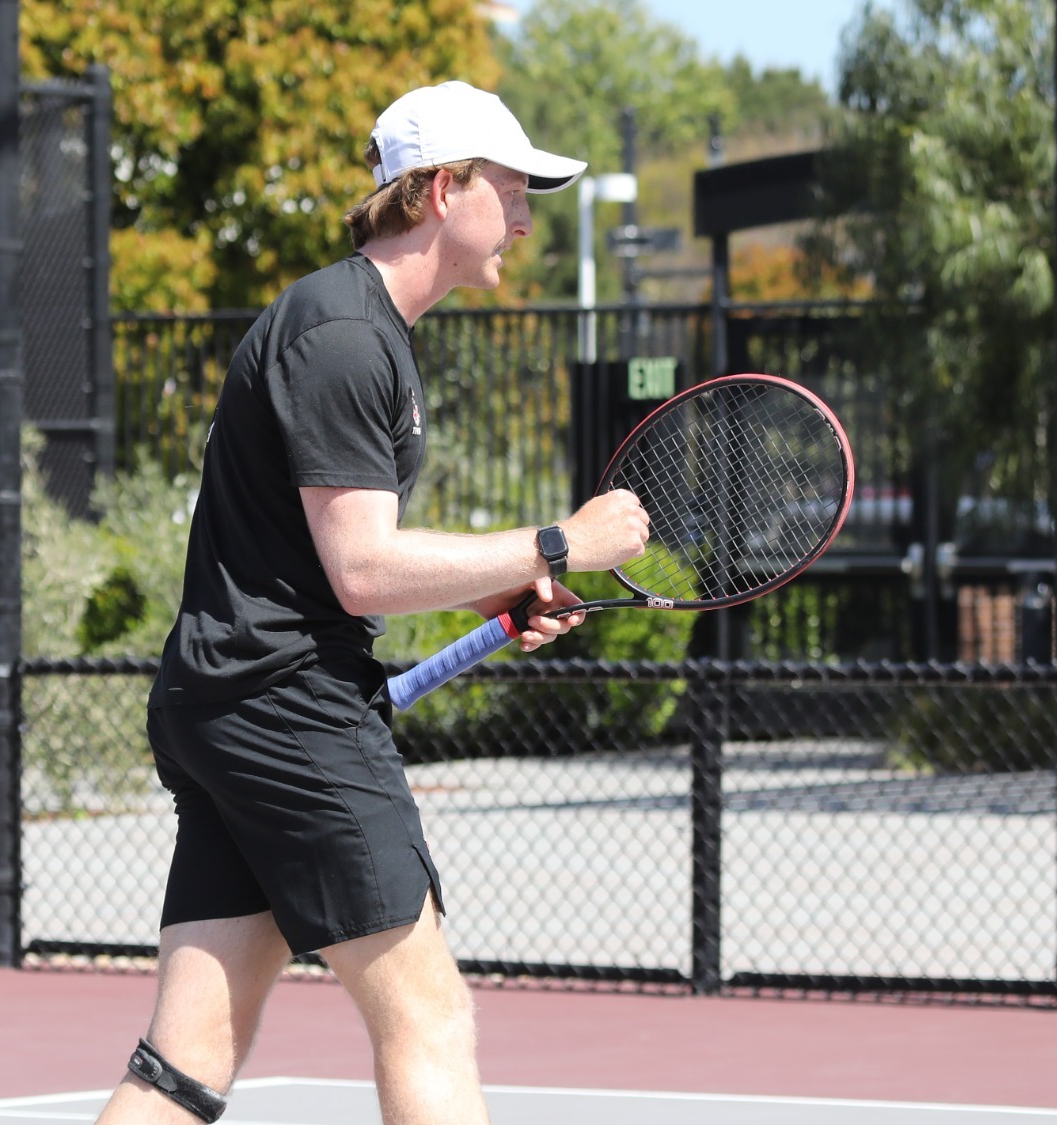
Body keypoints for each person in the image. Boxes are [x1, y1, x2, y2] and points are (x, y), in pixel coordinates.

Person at [93, 81, 651, 1125]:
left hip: (236, 703)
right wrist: (556, 541)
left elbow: (327, 559)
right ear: (441, 191)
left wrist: (503, 585)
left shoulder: (353, 327)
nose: (525, 217)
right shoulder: (346, 334)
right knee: (428, 1016)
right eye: (511, 188)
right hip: (285, 711)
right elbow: (361, 568)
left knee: (187, 1060)